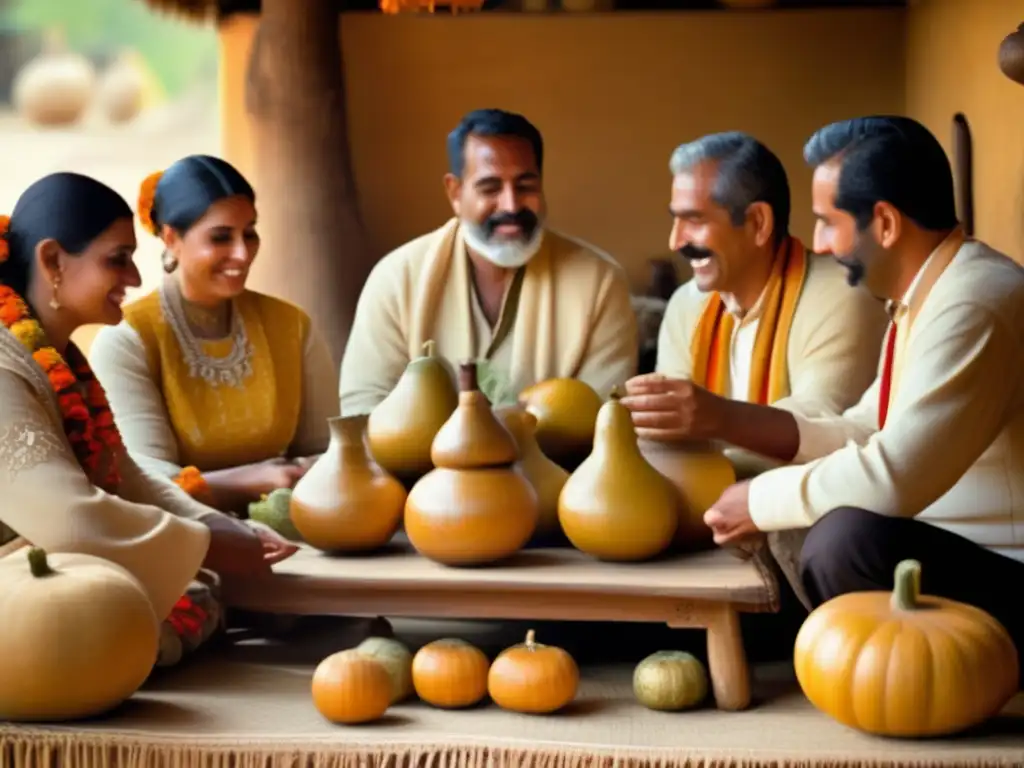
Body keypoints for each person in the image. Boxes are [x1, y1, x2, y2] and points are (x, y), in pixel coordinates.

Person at [704, 116, 1024, 667]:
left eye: (829, 223)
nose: (822, 245)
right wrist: (732, 437)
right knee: (804, 521)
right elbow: (863, 427)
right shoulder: (925, 294)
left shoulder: (974, 303)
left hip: (1009, 573)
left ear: (884, 223)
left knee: (844, 540)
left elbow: (894, 477)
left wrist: (760, 502)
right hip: (948, 549)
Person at [0, 172, 296, 660]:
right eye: (117, 260)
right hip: (24, 595)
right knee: (126, 628)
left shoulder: (60, 358)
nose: (135, 279)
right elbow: (71, 518)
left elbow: (125, 475)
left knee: (195, 597)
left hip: (56, 577)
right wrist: (204, 543)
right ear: (52, 260)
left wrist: (217, 527)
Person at [339, 108, 638, 414]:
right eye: (490, 188)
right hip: (419, 463)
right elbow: (365, 408)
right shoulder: (397, 278)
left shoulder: (599, 281)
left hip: (559, 463)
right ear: (455, 193)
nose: (510, 205)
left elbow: (604, 415)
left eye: (525, 186)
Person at [621, 132, 888, 472]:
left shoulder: (842, 295)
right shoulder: (685, 304)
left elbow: (820, 431)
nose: (676, 241)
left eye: (695, 220)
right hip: (709, 504)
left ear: (758, 223)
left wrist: (714, 419)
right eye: (675, 219)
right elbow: (671, 444)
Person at [89, 155, 339, 514]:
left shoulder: (291, 326)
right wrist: (255, 481)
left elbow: (328, 452)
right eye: (221, 237)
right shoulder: (128, 339)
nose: (242, 253)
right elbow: (144, 482)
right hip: (181, 540)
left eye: (249, 233)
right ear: (171, 237)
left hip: (300, 526)